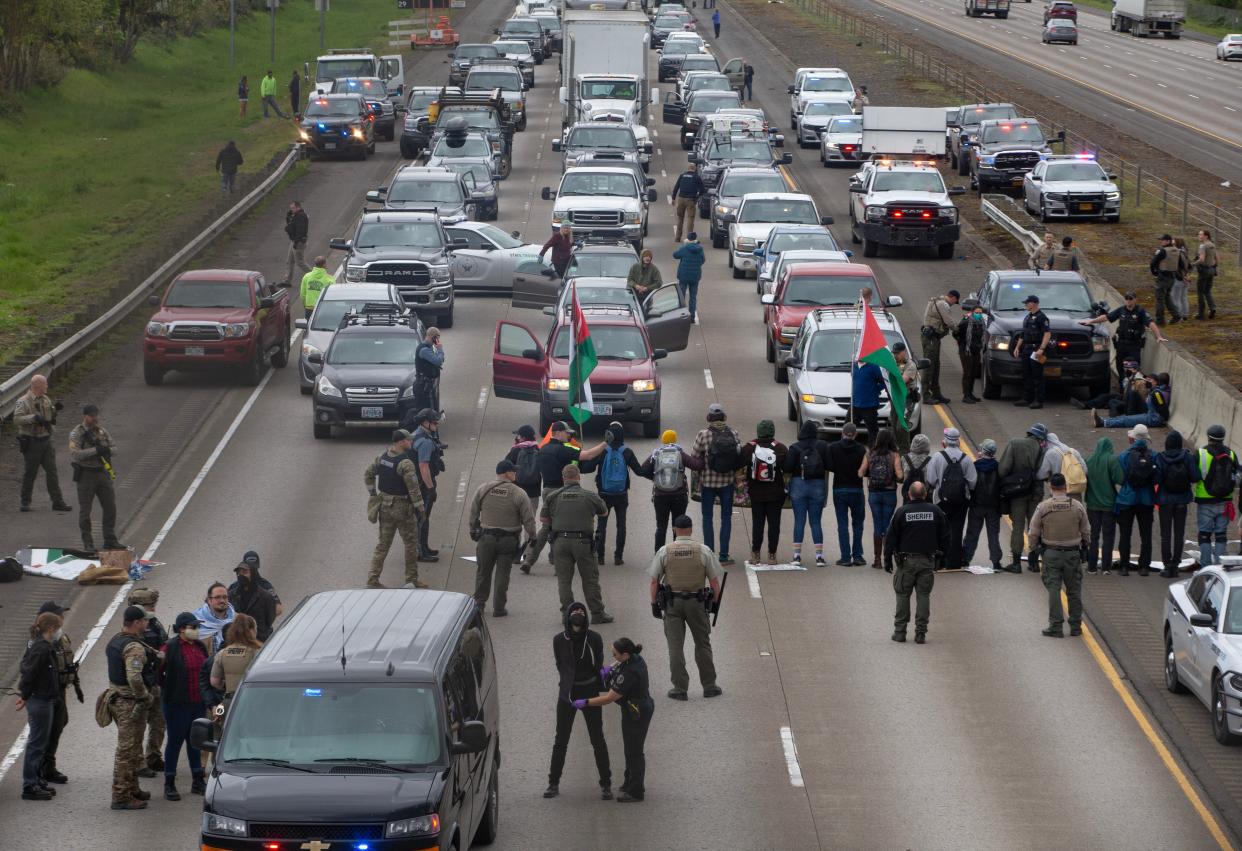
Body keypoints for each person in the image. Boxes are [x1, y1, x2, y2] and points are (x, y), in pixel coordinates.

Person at [649, 514, 723, 701]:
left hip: (672, 603)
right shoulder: (703, 551)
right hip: (697, 603)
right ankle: (709, 686)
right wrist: (714, 603)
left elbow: (654, 581)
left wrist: (653, 604)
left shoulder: (665, 551)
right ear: (691, 530)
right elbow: (714, 582)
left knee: (675, 647)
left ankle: (679, 688)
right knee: (702, 644)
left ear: (674, 530)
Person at [545, 602, 612, 801]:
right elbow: (560, 664)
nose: (578, 614)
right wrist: (568, 684)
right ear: (567, 617)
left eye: (582, 611)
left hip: (590, 692)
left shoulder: (594, 638)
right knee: (561, 740)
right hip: (567, 694)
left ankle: (606, 784)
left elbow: (598, 663)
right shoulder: (559, 640)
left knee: (597, 738)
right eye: (574, 612)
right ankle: (553, 783)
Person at [573, 637, 653, 803]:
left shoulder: (630, 672)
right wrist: (608, 668)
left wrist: (586, 702)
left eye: (615, 654)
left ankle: (636, 791)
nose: (613, 657)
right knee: (629, 747)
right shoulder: (634, 657)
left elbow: (610, 697)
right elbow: (616, 664)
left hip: (637, 711)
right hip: (635, 706)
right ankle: (629, 782)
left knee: (634, 751)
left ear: (625, 654)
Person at [522, 422, 606, 571]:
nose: (569, 435)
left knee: (547, 527)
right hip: (561, 492)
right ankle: (557, 563)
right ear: (558, 432)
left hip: (547, 490)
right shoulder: (562, 450)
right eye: (567, 433)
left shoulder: (543, 449)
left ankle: (529, 560)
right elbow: (589, 455)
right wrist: (606, 442)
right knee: (561, 527)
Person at [543, 465, 613, 622]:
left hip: (560, 542)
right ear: (578, 477)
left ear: (563, 478)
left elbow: (544, 518)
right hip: (583, 542)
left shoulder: (553, 496)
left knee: (564, 580)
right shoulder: (589, 496)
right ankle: (597, 613)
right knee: (590, 579)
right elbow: (604, 512)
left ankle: (567, 614)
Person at [884, 482, 950, 644]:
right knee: (923, 596)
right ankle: (921, 633)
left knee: (902, 595)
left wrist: (887, 560)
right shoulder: (935, 511)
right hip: (927, 561)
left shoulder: (902, 512)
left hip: (906, 562)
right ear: (926, 494)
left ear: (909, 495)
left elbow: (891, 538)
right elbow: (945, 536)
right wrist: (943, 558)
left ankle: (900, 632)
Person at [468, 460, 536, 616]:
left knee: (483, 572)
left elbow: (473, 512)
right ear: (506, 473)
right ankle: (499, 607)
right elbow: (529, 519)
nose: (516, 473)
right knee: (503, 574)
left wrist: (473, 530)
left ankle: (479, 604)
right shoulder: (519, 493)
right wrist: (532, 536)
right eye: (513, 471)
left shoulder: (483, 489)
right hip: (508, 540)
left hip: (486, 538)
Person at [1028, 474, 1089, 637]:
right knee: (1074, 590)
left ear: (1050, 488)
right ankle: (1076, 626)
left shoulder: (1043, 507)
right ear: (1066, 487)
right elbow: (1086, 530)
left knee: (1054, 589)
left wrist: (1032, 549)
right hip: (1072, 554)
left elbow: (1033, 531)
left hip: (1051, 553)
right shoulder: (1077, 506)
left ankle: (1056, 626)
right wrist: (1085, 546)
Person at [364, 430, 427, 588]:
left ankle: (373, 579)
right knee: (411, 543)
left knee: (383, 545)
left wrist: (373, 493)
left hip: (384, 506)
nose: (410, 443)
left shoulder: (382, 458)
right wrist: (421, 509)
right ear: (400, 442)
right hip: (402, 508)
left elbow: (368, 474)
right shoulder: (405, 463)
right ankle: (411, 580)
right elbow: (413, 489)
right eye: (408, 440)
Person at [104, 605, 153, 810]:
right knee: (126, 750)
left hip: (116, 698)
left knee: (133, 747)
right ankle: (121, 796)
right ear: (136, 623)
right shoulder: (134, 647)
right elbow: (134, 676)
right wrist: (144, 695)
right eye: (145, 620)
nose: (147, 623)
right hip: (130, 703)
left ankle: (133, 787)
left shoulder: (116, 639)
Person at [159, 612, 208, 802]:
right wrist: (169, 691)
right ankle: (169, 783)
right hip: (177, 704)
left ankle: (197, 780)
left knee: (196, 742)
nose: (196, 631)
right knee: (175, 742)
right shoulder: (170, 647)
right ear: (182, 629)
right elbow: (158, 672)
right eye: (193, 627)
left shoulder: (199, 646)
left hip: (197, 703)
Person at [16, 610, 63, 801]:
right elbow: (29, 673)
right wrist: (25, 695)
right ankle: (30, 785)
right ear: (51, 628)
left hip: (45, 698)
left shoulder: (44, 646)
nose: (60, 631)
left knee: (41, 743)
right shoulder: (41, 648)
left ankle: (36, 779)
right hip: (40, 700)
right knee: (37, 743)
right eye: (58, 628)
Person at [1079, 290, 1166, 387]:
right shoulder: (1121, 310)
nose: (1128, 301)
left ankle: (1132, 389)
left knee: (1133, 369)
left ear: (1135, 300)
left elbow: (1151, 323)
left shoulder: (1140, 311)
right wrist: (1091, 321)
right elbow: (1106, 317)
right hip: (1121, 345)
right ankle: (1121, 389)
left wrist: (1158, 336)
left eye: (1130, 299)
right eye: (1127, 299)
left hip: (1134, 346)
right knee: (1120, 368)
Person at [67, 403, 121, 552]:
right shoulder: (76, 434)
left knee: (110, 507)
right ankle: (88, 542)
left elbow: (115, 449)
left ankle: (110, 539)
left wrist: (106, 450)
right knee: (85, 511)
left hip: (102, 473)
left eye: (96, 415)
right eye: (92, 416)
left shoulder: (102, 432)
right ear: (85, 416)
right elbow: (75, 454)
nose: (95, 418)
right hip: (86, 475)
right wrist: (95, 450)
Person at [692, 403, 741, 563]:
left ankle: (710, 554)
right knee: (726, 518)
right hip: (727, 482)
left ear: (709, 418)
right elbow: (738, 455)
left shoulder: (703, 434)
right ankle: (724, 555)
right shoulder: (733, 433)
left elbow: (694, 455)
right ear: (724, 418)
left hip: (708, 483)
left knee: (707, 518)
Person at [639, 429, 705, 550]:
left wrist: (655, 479)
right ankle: (676, 554)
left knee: (661, 527)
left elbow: (642, 471)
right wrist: (703, 456)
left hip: (660, 496)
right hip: (679, 496)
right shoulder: (680, 454)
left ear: (663, 440)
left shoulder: (656, 454)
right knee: (678, 526)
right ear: (675, 440)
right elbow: (697, 465)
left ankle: (659, 555)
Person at [14, 374, 71, 514]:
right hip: (32, 441)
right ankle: (25, 501)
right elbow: (17, 419)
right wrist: (33, 417)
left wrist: (55, 410)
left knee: (52, 472)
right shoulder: (23, 401)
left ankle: (57, 501)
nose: (47, 386)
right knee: (30, 473)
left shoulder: (45, 399)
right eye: (45, 384)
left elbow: (49, 417)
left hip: (46, 440)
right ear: (37, 385)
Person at [127, 588, 168, 774]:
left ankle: (153, 755)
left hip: (156, 680)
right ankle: (138, 762)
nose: (153, 609)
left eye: (153, 605)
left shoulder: (155, 624)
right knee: (139, 726)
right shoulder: (135, 630)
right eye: (149, 606)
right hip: (141, 684)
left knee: (159, 722)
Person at [998, 423, 1048, 573]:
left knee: (1018, 526)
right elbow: (1043, 472)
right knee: (1035, 527)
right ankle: (1033, 563)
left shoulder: (1014, 443)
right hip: (1036, 492)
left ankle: (1016, 563)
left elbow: (1003, 469)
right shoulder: (1042, 450)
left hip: (1017, 492)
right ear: (1041, 438)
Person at [593, 421, 645, 565]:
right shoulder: (626, 451)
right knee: (621, 525)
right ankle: (618, 557)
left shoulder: (602, 450)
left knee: (601, 524)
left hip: (603, 493)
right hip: (621, 494)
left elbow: (589, 467)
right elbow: (639, 471)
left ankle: (600, 556)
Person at [924, 427, 976, 570]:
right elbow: (972, 482)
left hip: (941, 501)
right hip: (961, 501)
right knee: (957, 529)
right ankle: (954, 562)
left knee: (940, 529)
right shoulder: (966, 459)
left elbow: (931, 479)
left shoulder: (937, 457)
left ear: (944, 441)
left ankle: (940, 561)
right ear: (959, 440)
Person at [207, 614, 263, 747]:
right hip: (253, 702)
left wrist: (225, 685)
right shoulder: (257, 652)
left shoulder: (222, 653)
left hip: (229, 701)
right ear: (250, 630)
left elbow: (214, 682)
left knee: (228, 739)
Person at [740, 419, 788, 565]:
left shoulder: (749, 448)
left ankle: (756, 554)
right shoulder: (780, 448)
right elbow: (788, 468)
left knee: (757, 524)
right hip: (776, 494)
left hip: (756, 493)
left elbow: (738, 462)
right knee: (774, 525)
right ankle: (772, 555)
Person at [784, 419, 831, 565]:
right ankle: (819, 557)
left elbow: (787, 468)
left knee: (799, 521)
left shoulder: (795, 447)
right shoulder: (823, 446)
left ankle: (797, 556)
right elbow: (829, 465)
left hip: (799, 485)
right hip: (817, 485)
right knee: (815, 522)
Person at [1116, 423, 1158, 576]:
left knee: (1125, 534)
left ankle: (1124, 566)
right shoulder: (1153, 456)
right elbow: (1156, 478)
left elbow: (1120, 478)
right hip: (1146, 500)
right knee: (1146, 535)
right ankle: (1144, 566)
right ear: (1146, 439)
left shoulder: (1124, 456)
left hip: (1127, 500)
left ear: (1132, 439)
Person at [1155, 430, 1199, 578]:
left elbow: (1157, 479)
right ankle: (1176, 564)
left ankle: (1167, 565)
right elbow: (1195, 477)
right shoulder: (1187, 456)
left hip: (1165, 501)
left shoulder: (1161, 458)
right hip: (1182, 500)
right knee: (1179, 534)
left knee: (1165, 535)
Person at [859, 428, 902, 570]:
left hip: (874, 494)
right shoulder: (894, 455)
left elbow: (860, 473)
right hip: (889, 493)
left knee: (877, 525)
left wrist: (871, 473)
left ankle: (877, 560)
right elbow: (900, 475)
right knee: (887, 525)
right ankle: (887, 557)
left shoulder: (869, 453)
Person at [1195, 425, 1237, 568]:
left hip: (1205, 500)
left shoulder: (1200, 453)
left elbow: (1194, 475)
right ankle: (1220, 567)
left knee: (1204, 535)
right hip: (1225, 501)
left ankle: (1206, 567)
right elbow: (1237, 476)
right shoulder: (1231, 454)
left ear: (1208, 436)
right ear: (1223, 437)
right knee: (1221, 535)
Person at [827, 423, 868, 566]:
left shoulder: (833, 447)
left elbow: (830, 466)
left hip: (839, 489)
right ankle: (857, 555)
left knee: (842, 524)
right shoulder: (861, 449)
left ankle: (845, 557)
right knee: (858, 524)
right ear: (856, 434)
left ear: (842, 433)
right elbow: (866, 470)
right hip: (856, 489)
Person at [961, 439, 1003, 571]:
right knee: (993, 534)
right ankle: (996, 562)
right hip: (993, 507)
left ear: (983, 451)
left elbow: (970, 485)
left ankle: (966, 559)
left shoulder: (975, 466)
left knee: (972, 533)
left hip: (976, 505)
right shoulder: (999, 467)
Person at [1084, 437, 1124, 575]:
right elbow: (1120, 479)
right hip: (1108, 505)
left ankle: (1092, 567)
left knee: (1093, 536)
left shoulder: (1089, 460)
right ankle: (1106, 567)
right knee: (1108, 536)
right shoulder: (1111, 460)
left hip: (1092, 504)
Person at [410, 409, 446, 561]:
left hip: (418, 483)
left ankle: (424, 547)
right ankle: (420, 552)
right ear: (425, 422)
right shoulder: (424, 442)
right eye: (434, 421)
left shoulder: (417, 434)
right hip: (423, 484)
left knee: (424, 517)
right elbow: (424, 467)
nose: (437, 424)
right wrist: (431, 489)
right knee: (422, 517)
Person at [505, 424, 544, 544]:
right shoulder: (538, 449)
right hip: (533, 492)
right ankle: (527, 551)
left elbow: (505, 467)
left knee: (515, 522)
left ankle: (515, 551)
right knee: (529, 521)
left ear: (522, 437)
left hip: (517, 492)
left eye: (518, 435)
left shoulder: (516, 450)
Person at [1012, 294, 1051, 409]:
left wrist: (1041, 349)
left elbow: (1047, 334)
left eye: (1026, 303)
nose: (1025, 305)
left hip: (1036, 349)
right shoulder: (1028, 317)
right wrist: (1017, 347)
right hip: (1026, 349)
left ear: (1033, 303)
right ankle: (1027, 398)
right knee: (1026, 374)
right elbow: (1023, 334)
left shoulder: (1042, 317)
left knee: (1037, 376)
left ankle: (1038, 400)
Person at [920, 290, 958, 405]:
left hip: (934, 338)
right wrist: (958, 329)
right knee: (929, 366)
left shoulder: (937, 301)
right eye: (955, 301)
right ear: (952, 297)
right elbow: (949, 321)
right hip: (931, 338)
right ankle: (926, 395)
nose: (953, 304)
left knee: (936, 365)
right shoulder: (942, 304)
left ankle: (936, 393)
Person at [1093, 373, 1170, 429]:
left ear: (1156, 382)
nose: (1147, 382)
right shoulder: (1153, 391)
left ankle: (1104, 423)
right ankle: (1103, 420)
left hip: (1153, 419)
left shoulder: (1157, 393)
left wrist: (1161, 420)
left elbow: (1163, 408)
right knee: (1124, 417)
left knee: (1127, 420)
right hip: (1149, 415)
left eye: (1150, 380)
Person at [227, 558, 277, 640]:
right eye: (238, 573)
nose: (241, 575)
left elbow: (270, 619)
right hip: (240, 640)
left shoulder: (266, 596)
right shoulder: (231, 595)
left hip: (261, 640)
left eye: (245, 572)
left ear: (253, 573)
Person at [230, 550, 282, 616]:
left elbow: (278, 609)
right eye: (249, 567)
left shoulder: (265, 585)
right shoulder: (234, 587)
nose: (252, 569)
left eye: (253, 567)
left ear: (257, 567)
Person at [953, 300, 985, 404]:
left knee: (974, 373)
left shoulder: (981, 323)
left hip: (976, 350)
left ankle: (970, 393)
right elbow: (956, 332)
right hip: (966, 351)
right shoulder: (966, 321)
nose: (978, 315)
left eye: (980, 313)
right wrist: (962, 342)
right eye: (977, 313)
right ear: (972, 312)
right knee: (967, 373)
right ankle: (966, 395)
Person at [891, 341, 919, 453]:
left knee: (901, 426)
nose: (895, 355)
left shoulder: (910, 365)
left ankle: (905, 451)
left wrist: (892, 371)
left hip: (907, 400)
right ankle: (897, 449)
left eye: (897, 353)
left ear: (904, 352)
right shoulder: (893, 363)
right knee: (894, 425)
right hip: (896, 399)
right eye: (894, 353)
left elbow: (903, 381)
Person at [192, 582, 235, 653]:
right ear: (209, 600)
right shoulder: (195, 621)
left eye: (225, 597)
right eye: (217, 597)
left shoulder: (237, 620)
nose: (222, 600)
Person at [1149, 233, 1182, 325]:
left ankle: (1160, 320)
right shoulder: (1177, 250)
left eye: (1162, 240)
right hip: (1172, 277)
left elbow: (1153, 262)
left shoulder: (1163, 251)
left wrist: (1154, 273)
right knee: (1167, 297)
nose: (1161, 242)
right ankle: (1176, 316)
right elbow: (1181, 265)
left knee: (1160, 299)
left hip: (1162, 277)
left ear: (1168, 241)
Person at [850, 357, 884, 444]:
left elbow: (884, 382)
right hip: (854, 405)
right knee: (848, 429)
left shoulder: (874, 367)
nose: (858, 356)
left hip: (869, 406)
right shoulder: (853, 366)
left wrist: (876, 389)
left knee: (873, 432)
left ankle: (873, 453)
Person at [672, 233, 705, 322]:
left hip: (683, 276)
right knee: (693, 297)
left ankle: (681, 315)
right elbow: (703, 260)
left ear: (687, 239)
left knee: (681, 296)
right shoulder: (700, 249)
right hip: (695, 276)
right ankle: (692, 317)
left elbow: (675, 255)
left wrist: (684, 245)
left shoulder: (685, 248)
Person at [671, 164, 706, 243]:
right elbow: (702, 190)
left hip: (681, 199)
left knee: (680, 218)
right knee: (690, 219)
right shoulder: (696, 177)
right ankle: (689, 238)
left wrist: (673, 198)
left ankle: (677, 238)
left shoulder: (682, 176)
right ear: (695, 169)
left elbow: (676, 187)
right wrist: (697, 197)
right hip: (690, 200)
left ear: (688, 168)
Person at [413, 327, 445, 414]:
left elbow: (440, 360)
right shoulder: (424, 350)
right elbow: (438, 361)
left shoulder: (428, 347)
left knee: (430, 409)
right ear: (433, 337)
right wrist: (440, 349)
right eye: (437, 337)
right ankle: (428, 426)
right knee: (429, 411)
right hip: (424, 385)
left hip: (426, 384)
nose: (438, 340)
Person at [900, 433, 933, 505]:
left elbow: (901, 476)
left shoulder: (904, 458)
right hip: (925, 495)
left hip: (908, 495)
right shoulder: (930, 460)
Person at [1193, 228, 1218, 320]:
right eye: (1199, 234)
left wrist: (1192, 264)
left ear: (1206, 236)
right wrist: (1214, 266)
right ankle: (1213, 308)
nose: (1199, 236)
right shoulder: (1212, 244)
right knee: (1207, 291)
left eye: (1200, 234)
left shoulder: (1203, 246)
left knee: (1200, 292)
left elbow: (1202, 259)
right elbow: (1216, 258)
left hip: (1204, 271)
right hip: (1212, 270)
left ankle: (1201, 313)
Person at [283, 201, 309, 286]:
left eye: (293, 208)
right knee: (289, 261)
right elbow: (290, 225)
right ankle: (287, 281)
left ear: (298, 207)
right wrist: (289, 216)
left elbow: (300, 231)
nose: (291, 210)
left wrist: (296, 242)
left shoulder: (301, 216)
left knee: (300, 262)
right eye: (291, 208)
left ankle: (315, 276)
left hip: (299, 242)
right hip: (294, 241)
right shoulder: (296, 215)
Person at [1172, 237, 1192, 323]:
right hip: (1186, 278)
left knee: (1176, 298)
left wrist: (1181, 276)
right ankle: (1185, 315)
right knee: (1183, 297)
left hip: (1179, 278)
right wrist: (1187, 275)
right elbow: (1190, 266)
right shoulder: (1185, 253)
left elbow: (1176, 267)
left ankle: (1178, 316)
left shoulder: (1177, 253)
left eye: (1173, 243)